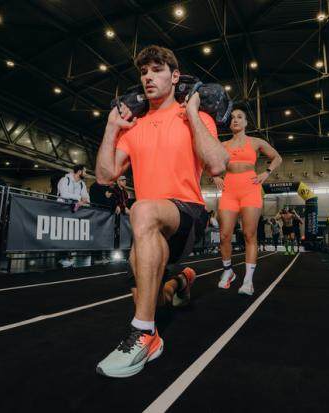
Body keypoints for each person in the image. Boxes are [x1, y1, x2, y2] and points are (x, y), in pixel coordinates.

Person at [94, 45, 228, 378]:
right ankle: (180, 282)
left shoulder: (197, 117)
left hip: (187, 214)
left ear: (175, 76)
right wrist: (111, 127)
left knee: (141, 209)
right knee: (152, 299)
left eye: (157, 70)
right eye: (144, 72)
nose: (148, 77)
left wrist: (193, 112)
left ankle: (146, 334)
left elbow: (216, 164)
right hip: (150, 224)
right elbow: (104, 176)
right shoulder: (134, 126)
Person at [214, 108, 282, 295]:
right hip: (229, 190)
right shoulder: (222, 145)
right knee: (224, 235)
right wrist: (215, 176)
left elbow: (277, 157)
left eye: (239, 117)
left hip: (250, 189)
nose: (235, 120)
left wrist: (266, 173)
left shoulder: (256, 142)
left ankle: (248, 281)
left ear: (245, 123)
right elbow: (206, 160)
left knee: (249, 234)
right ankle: (228, 272)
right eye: (232, 118)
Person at [56, 165, 90, 267]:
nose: (86, 174)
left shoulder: (82, 184)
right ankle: (61, 258)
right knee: (62, 234)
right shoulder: (65, 180)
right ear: (79, 172)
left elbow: (87, 199)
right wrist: (79, 198)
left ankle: (68, 258)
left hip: (74, 212)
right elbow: (64, 194)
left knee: (71, 235)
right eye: (85, 171)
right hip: (62, 211)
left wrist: (82, 201)